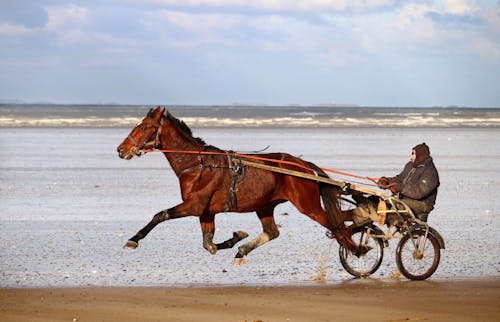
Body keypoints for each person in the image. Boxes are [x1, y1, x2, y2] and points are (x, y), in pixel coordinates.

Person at [351, 143, 440, 225]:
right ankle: (366, 215)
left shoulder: (430, 172)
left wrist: (400, 188)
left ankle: (385, 218)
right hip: (405, 198)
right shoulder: (410, 166)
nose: (411, 156)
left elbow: (419, 193)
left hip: (423, 204)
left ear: (420, 155)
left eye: (413, 154)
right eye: (412, 153)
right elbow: (399, 178)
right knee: (376, 200)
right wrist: (386, 181)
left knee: (392, 203)